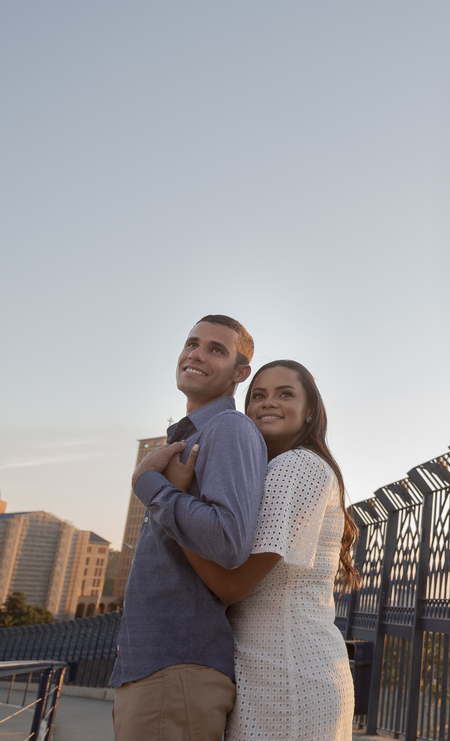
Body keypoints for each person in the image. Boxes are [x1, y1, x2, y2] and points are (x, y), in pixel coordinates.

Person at [160, 360, 360, 741]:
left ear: (310, 412)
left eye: (285, 394)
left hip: (287, 677)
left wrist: (170, 502)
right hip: (283, 670)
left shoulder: (295, 466)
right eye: (258, 395)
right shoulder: (280, 470)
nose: (269, 403)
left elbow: (232, 587)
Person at [110, 315, 269, 741]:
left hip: (176, 669)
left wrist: (153, 489)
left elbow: (228, 540)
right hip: (156, 668)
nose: (195, 354)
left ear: (240, 373)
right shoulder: (188, 436)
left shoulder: (228, 428)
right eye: (191, 343)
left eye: (215, 349)